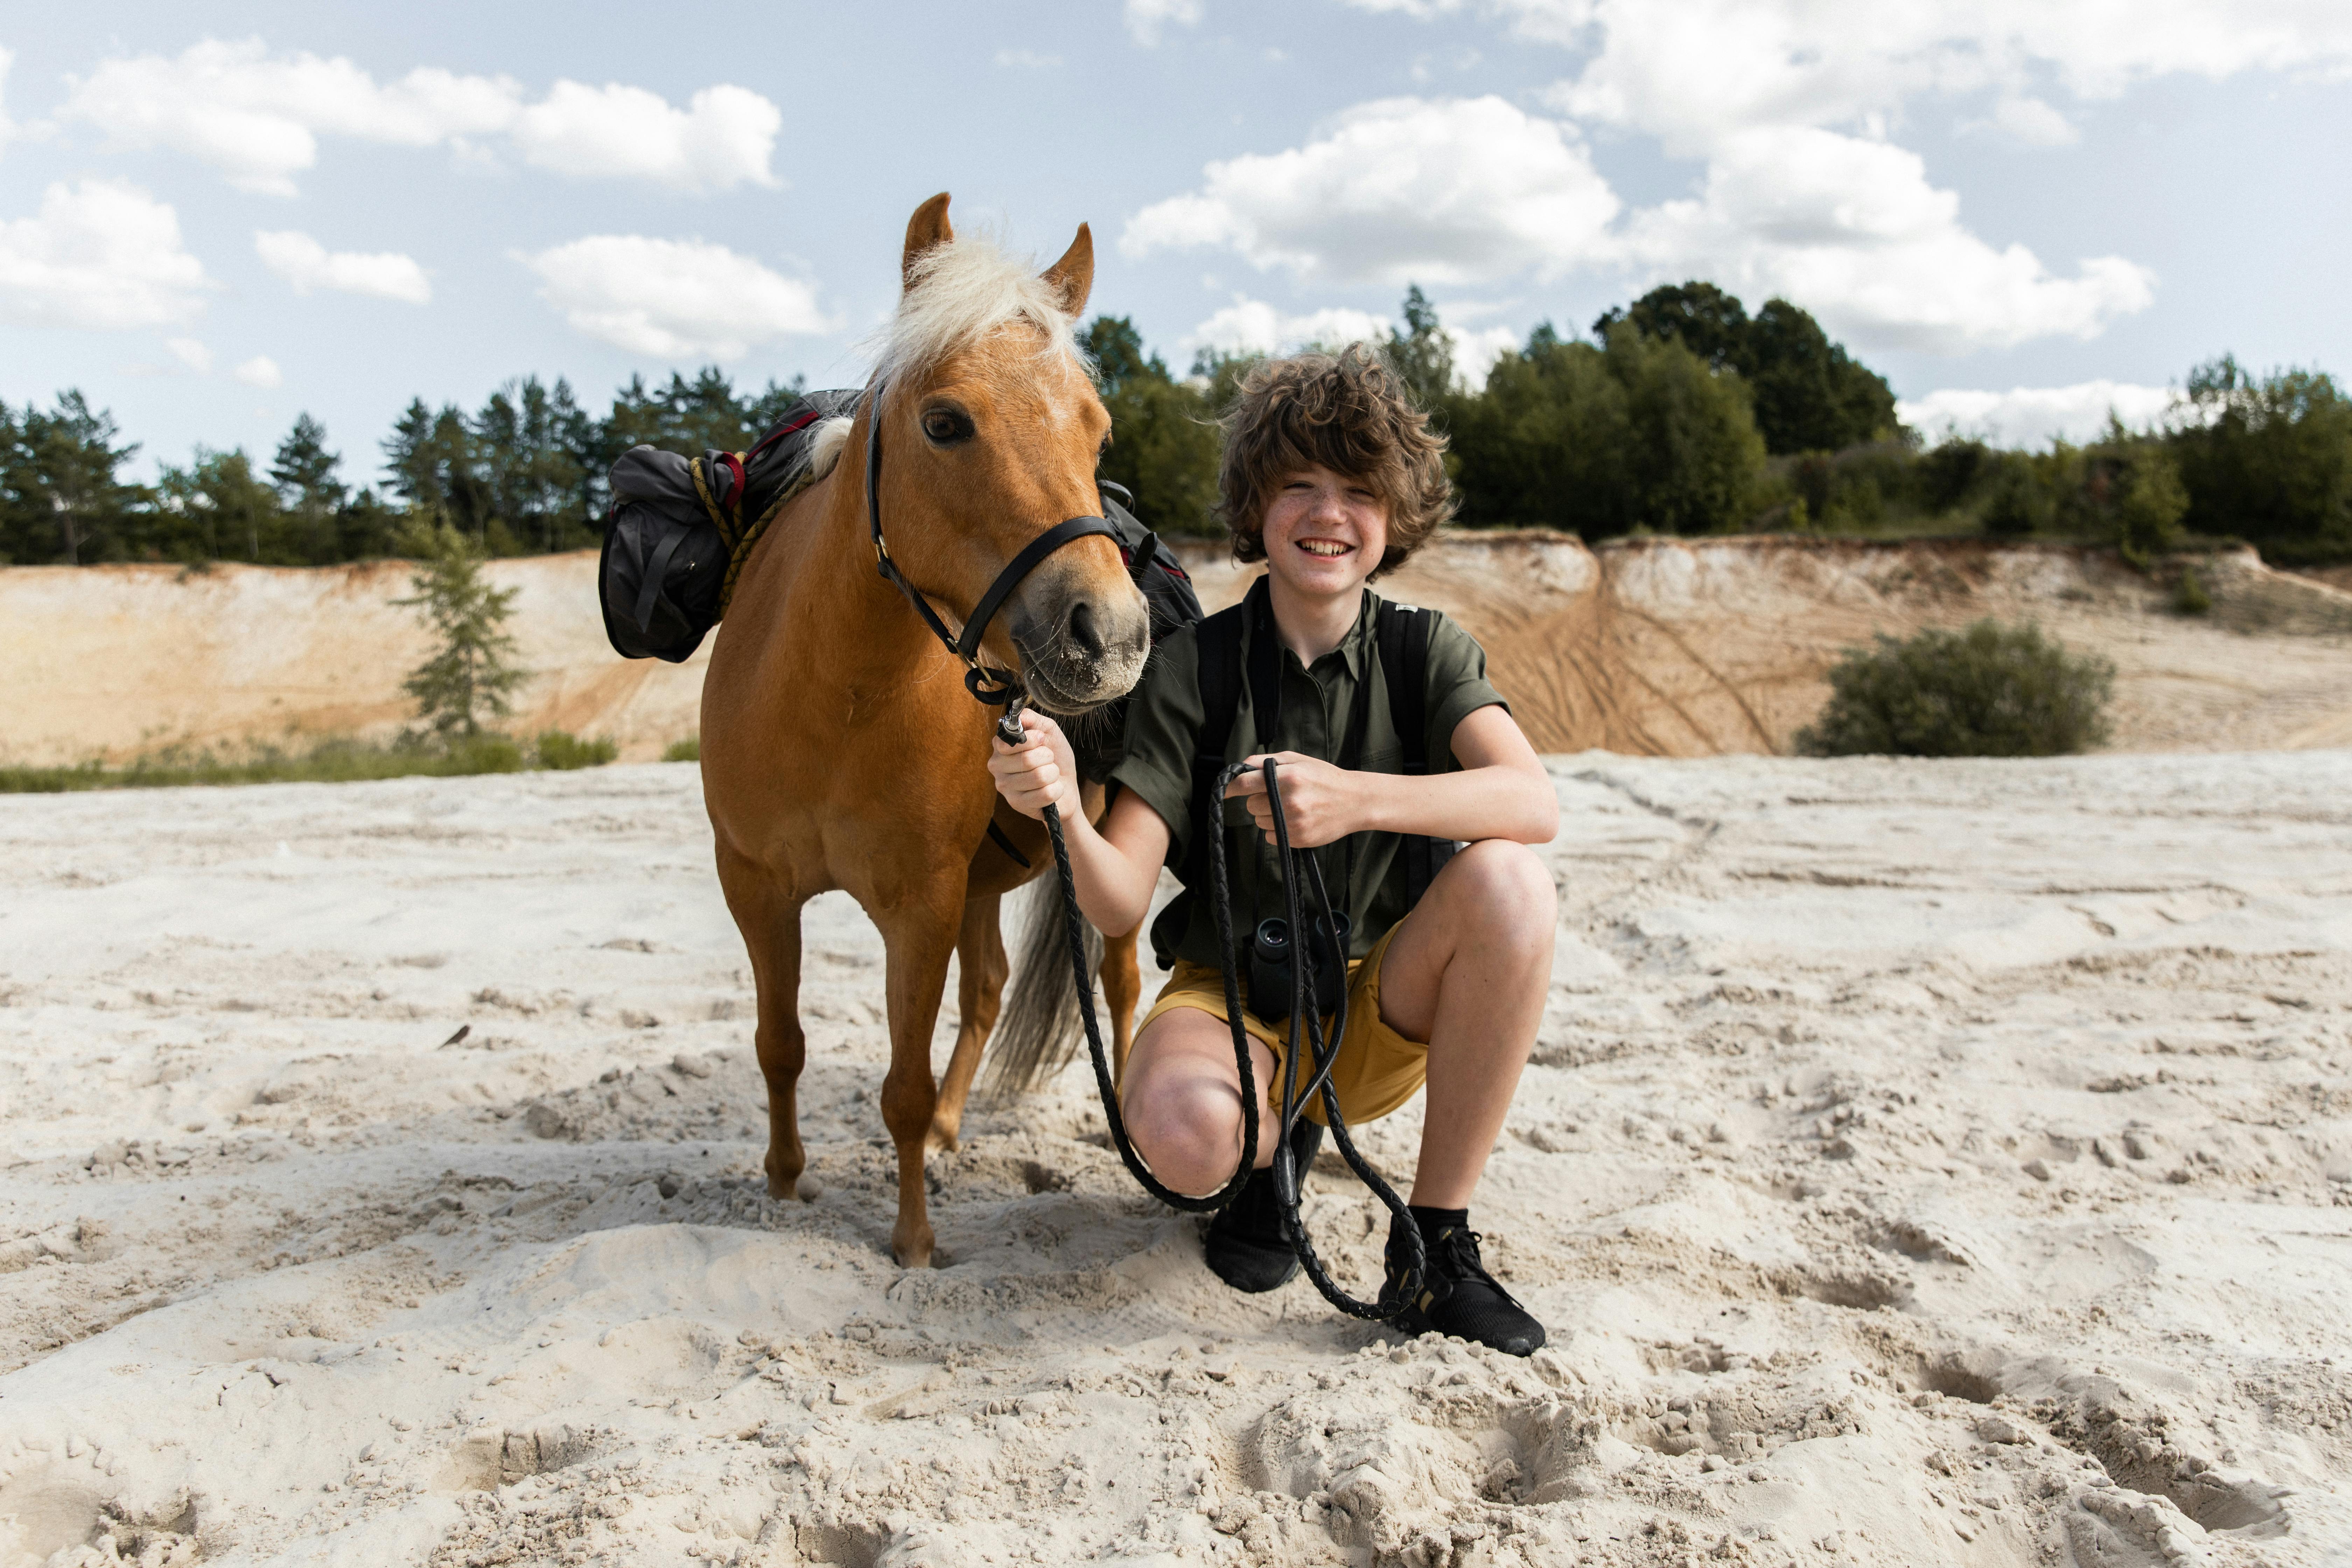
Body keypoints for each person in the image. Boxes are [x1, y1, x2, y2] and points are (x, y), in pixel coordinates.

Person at [987, 345, 1559, 1356]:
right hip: (1232, 1000)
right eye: (1298, 484)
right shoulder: (1189, 667)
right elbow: (1117, 900)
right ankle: (1263, 1162)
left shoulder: (1429, 650)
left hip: (1386, 1004)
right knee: (1183, 1139)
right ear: (1256, 507)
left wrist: (1354, 800)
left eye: (1356, 489)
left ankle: (1435, 1247)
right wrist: (1066, 811)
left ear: (1396, 515)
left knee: (1512, 879)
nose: (1326, 513)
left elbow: (1531, 802)